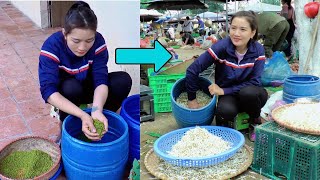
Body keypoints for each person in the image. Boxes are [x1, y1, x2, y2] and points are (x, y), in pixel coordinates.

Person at [38, 1, 132, 141]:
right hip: (67, 92)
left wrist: (96, 110)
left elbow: (101, 79)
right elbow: (48, 91)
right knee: (71, 87)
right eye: (76, 41)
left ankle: (101, 119)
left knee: (122, 80)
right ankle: (67, 124)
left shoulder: (99, 42)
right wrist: (82, 115)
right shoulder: (52, 46)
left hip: (89, 86)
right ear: (65, 33)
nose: (82, 47)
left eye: (89, 40)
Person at [185, 11, 268, 141]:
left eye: (243, 29)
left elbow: (255, 82)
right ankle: (232, 118)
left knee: (249, 93)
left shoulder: (258, 50)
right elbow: (192, 70)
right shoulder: (221, 47)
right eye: (233, 28)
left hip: (251, 94)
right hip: (229, 96)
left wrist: (223, 90)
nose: (236, 33)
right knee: (225, 111)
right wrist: (192, 99)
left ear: (252, 32)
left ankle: (255, 119)